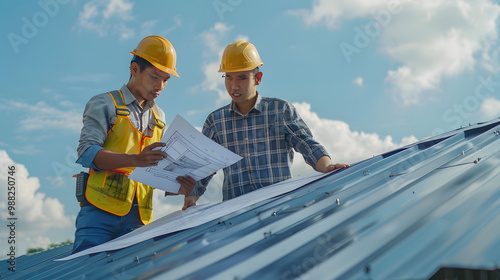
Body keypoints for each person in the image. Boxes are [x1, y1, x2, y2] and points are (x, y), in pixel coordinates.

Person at [182, 40, 348, 210]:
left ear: (258, 78)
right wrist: (191, 196)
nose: (234, 85)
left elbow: (307, 144)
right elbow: (204, 165)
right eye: (228, 77)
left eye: (242, 77)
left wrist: (327, 166)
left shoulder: (280, 110)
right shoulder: (215, 121)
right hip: (236, 215)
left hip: (280, 208)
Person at [73, 35, 196, 254]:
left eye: (166, 79)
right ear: (134, 69)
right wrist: (135, 160)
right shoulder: (104, 103)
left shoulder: (159, 116)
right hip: (99, 213)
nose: (160, 86)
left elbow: (152, 171)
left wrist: (177, 186)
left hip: (139, 218)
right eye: (155, 77)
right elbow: (86, 151)